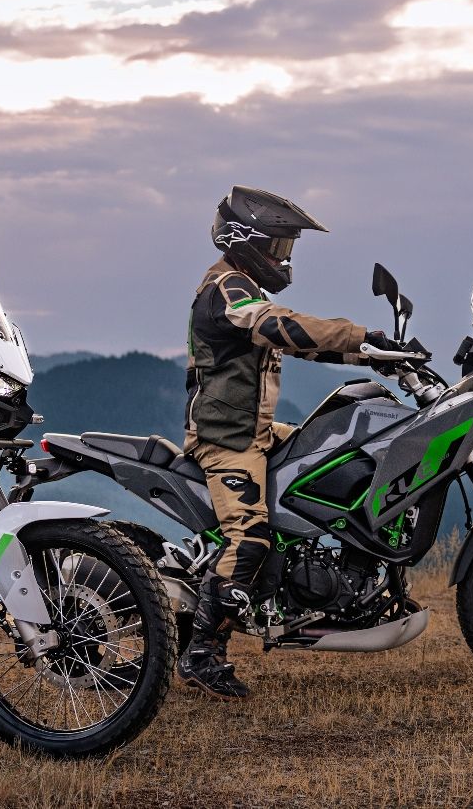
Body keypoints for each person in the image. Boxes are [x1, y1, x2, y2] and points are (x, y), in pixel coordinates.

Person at [180, 185, 399, 700]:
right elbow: (279, 327)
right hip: (226, 439)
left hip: (255, 430)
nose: (284, 257)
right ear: (247, 240)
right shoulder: (226, 289)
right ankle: (202, 653)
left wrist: (374, 354)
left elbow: (303, 345)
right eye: (278, 246)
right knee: (249, 537)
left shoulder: (244, 288)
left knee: (338, 457)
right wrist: (358, 335)